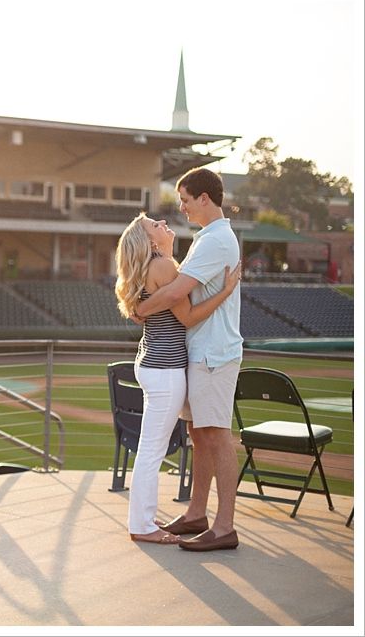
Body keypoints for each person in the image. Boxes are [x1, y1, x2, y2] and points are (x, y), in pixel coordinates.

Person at [134, 167, 244, 552]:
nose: (180, 207)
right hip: (199, 351)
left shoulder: (216, 239)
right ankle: (197, 513)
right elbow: (180, 293)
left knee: (216, 435)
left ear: (204, 199)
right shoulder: (205, 238)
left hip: (215, 353)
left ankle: (224, 526)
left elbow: (177, 290)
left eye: (184, 200)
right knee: (200, 435)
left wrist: (138, 308)